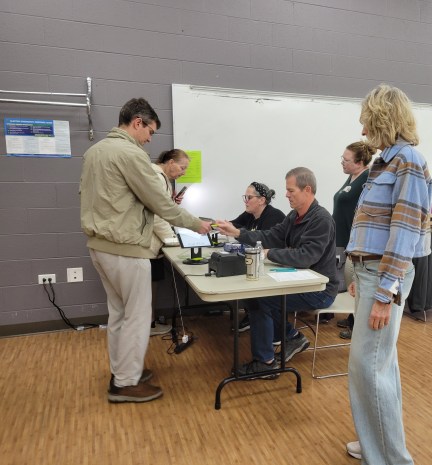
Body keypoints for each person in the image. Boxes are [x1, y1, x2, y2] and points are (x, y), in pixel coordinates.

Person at [80, 98, 211, 403]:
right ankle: (126, 383)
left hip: (100, 246)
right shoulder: (131, 154)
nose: (150, 139)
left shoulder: (94, 152)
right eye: (150, 131)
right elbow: (160, 204)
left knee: (119, 314)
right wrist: (197, 224)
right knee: (138, 316)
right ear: (137, 122)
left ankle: (122, 372)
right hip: (126, 248)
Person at [345, 84, 432, 464]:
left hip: (384, 276)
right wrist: (357, 268)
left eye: (367, 122)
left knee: (369, 370)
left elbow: (405, 231)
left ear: (383, 119)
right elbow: (371, 225)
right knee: (380, 367)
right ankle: (375, 441)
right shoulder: (384, 162)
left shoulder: (408, 160)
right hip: (369, 272)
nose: (363, 131)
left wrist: (385, 292)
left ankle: (391, 459)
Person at [215, 167, 338, 377]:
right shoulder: (295, 216)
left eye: (291, 191)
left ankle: (266, 362)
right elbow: (272, 235)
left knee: (261, 300)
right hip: (299, 281)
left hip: (319, 290)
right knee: (259, 298)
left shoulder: (321, 220)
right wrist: (237, 232)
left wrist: (270, 253)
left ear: (307, 189)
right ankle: (291, 336)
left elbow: (305, 257)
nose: (286, 195)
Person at [230, 182, 285, 332]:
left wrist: (236, 232)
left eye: (249, 197)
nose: (245, 201)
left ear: (261, 200)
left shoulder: (274, 216)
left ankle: (267, 322)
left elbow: (266, 242)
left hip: (273, 265)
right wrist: (217, 224)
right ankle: (252, 314)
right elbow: (234, 225)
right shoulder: (249, 214)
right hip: (260, 262)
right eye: (245, 197)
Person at [333, 141, 375, 339]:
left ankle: (354, 324)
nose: (342, 162)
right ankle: (351, 317)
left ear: (359, 162)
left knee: (353, 281)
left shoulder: (367, 178)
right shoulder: (352, 176)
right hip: (340, 238)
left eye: (346, 159)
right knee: (347, 280)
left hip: (352, 240)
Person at [149, 149, 191, 336]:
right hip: (147, 246)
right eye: (182, 167)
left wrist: (172, 203)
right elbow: (157, 215)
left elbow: (162, 208)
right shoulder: (157, 177)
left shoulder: (162, 179)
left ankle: (149, 322)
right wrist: (173, 240)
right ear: (171, 162)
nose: (183, 172)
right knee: (147, 288)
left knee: (153, 284)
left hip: (153, 245)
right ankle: (148, 325)